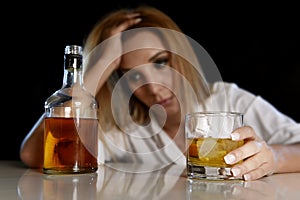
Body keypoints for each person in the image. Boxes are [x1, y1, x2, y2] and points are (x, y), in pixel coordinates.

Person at [20, 5, 300, 180]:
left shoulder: (227, 100)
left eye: (160, 62)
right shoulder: (124, 127)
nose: (154, 89)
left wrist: (273, 158)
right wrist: (101, 62)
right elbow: (37, 156)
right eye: (132, 76)